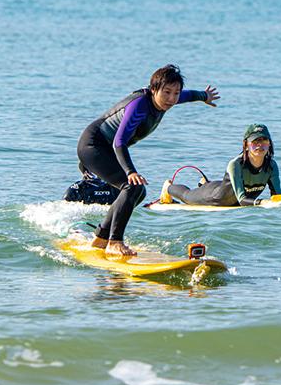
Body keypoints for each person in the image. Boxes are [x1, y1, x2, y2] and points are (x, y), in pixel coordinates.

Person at [76, 64, 220, 256]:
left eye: (175, 93)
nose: (172, 98)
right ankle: (114, 241)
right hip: (93, 146)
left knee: (138, 192)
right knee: (132, 186)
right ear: (154, 90)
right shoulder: (139, 105)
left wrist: (204, 96)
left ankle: (101, 237)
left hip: (106, 149)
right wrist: (130, 172)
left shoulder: (168, 99)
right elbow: (119, 142)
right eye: (167, 92)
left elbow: (188, 95)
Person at [161, 123, 281, 207]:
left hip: (224, 188)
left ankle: (204, 184)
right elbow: (242, 200)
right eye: (255, 142)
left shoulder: (271, 165)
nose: (260, 145)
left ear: (270, 144)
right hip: (215, 198)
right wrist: (262, 203)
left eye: (264, 141)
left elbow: (277, 196)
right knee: (187, 196)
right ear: (246, 145)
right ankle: (168, 188)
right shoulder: (236, 165)